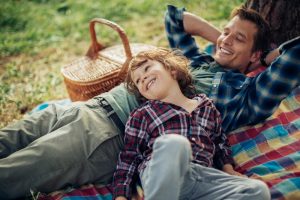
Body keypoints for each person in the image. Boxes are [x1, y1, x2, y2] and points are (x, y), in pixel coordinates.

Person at [0, 4, 299, 199]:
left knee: (11, 174)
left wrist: (267, 55)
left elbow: (293, 58)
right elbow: (175, 18)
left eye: (240, 39)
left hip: (105, 136)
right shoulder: (197, 59)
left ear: (256, 55)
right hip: (82, 108)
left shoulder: (244, 95)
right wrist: (224, 39)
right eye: (226, 32)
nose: (225, 40)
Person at [112, 47, 271, 200]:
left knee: (257, 190)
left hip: (200, 177)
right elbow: (129, 157)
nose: (143, 78)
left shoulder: (206, 106)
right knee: (175, 143)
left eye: (146, 69)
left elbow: (219, 141)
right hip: (162, 174)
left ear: (172, 69)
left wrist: (228, 170)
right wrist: (121, 195)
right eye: (138, 80)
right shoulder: (143, 114)